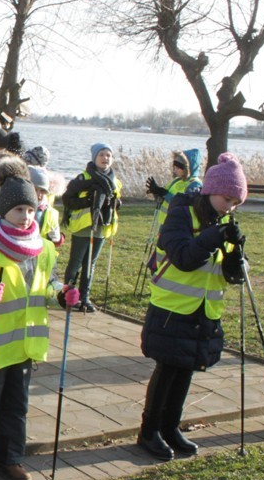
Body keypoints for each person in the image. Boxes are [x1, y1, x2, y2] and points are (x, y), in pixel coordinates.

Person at [0, 175, 76, 480]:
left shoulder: (44, 249)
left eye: (30, 209)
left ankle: (10, 458)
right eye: (19, 209)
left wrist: (62, 294)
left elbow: (47, 285)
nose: (25, 216)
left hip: (24, 343)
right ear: (4, 211)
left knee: (16, 406)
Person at [137, 153, 248, 461]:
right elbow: (184, 257)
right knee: (168, 368)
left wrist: (237, 255)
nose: (230, 207)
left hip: (203, 309)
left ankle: (171, 427)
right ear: (211, 190)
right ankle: (149, 431)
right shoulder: (182, 212)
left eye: (236, 202)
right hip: (173, 307)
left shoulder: (221, 221)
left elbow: (229, 273)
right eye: (227, 199)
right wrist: (214, 237)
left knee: (186, 368)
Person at [62, 143, 123, 313]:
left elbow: (116, 203)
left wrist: (116, 204)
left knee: (91, 263)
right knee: (76, 262)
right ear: (94, 158)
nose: (105, 158)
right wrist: (88, 201)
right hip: (84, 226)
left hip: (102, 227)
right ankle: (68, 295)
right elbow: (67, 199)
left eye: (108, 155)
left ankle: (84, 297)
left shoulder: (115, 181)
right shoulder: (83, 178)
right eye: (102, 155)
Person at [145, 149, 203, 227]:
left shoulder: (194, 184)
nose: (174, 170)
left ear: (186, 169)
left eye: (178, 168)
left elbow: (185, 202)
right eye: (174, 167)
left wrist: (164, 193)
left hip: (178, 225)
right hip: (165, 222)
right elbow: (163, 199)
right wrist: (156, 191)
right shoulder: (177, 181)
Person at [28, 165, 62, 247]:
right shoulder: (18, 207)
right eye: (35, 189)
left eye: (42, 191)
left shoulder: (51, 213)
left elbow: (56, 239)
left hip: (42, 252)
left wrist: (58, 239)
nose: (39, 194)